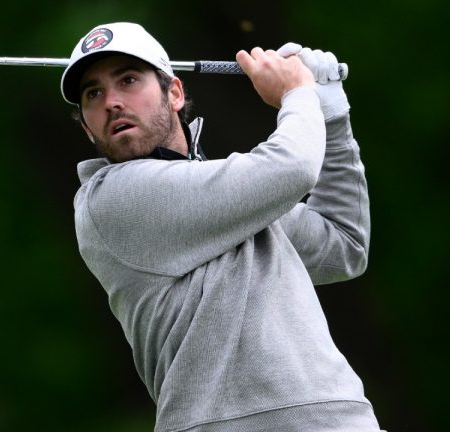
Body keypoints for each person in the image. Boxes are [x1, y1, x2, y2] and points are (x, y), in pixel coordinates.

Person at [61, 22, 382, 432]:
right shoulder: (112, 199)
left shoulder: (227, 193)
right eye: (94, 93)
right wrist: (298, 93)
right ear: (87, 127)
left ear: (174, 92)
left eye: (128, 80)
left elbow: (342, 244)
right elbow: (293, 167)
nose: (112, 102)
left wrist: (332, 113)